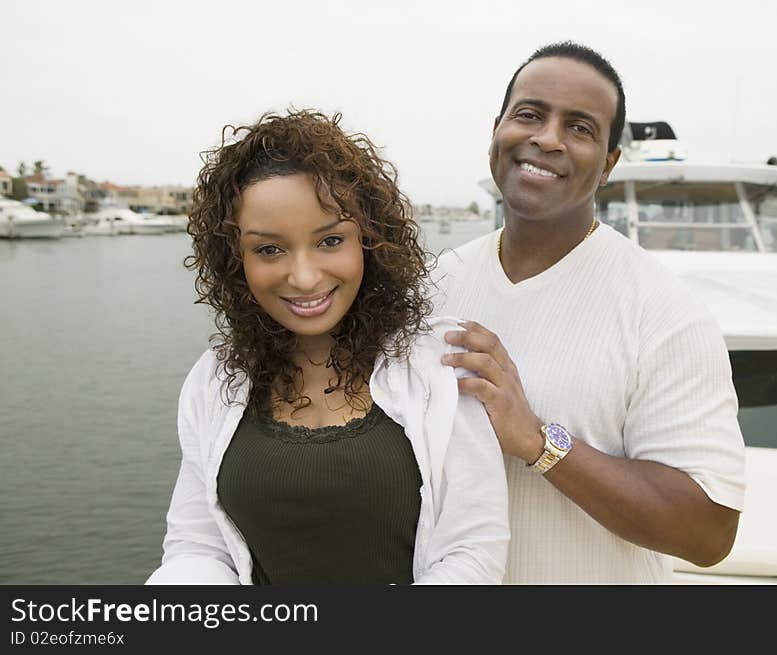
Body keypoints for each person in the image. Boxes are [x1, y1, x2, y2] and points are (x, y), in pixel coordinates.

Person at [146, 109, 508, 585]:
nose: (305, 277)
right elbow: (197, 545)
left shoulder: (438, 363)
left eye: (330, 240)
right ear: (235, 260)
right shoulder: (216, 378)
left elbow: (473, 552)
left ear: (369, 241)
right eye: (269, 249)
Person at [433, 42, 746, 583]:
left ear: (608, 165)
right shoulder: (433, 284)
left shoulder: (664, 312)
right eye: (529, 114)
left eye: (580, 128)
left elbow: (709, 533)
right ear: (496, 130)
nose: (547, 138)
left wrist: (537, 440)